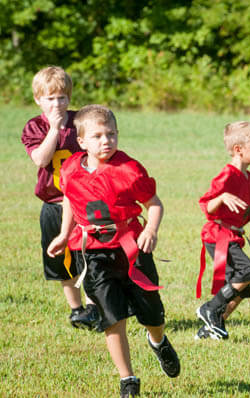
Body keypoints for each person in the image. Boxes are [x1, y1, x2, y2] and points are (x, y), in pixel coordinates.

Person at [47, 105, 180, 397]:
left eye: (111, 134)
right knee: (111, 317)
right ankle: (127, 379)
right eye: (97, 136)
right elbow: (70, 198)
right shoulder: (70, 168)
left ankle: (157, 341)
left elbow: (154, 203)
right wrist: (64, 233)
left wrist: (150, 230)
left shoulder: (129, 170)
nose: (106, 141)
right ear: (81, 142)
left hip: (130, 249)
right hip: (93, 253)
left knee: (152, 314)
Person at [21, 66, 99, 330]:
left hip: (83, 205)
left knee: (89, 257)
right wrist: (54, 130)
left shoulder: (81, 123)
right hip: (54, 204)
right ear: (38, 99)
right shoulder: (35, 126)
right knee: (62, 260)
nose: (57, 103)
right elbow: (41, 160)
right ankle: (76, 310)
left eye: (62, 98)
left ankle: (93, 308)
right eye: (50, 98)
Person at [195, 121, 250, 340]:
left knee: (241, 287)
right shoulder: (227, 175)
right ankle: (210, 309)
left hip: (233, 236)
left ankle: (212, 327)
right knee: (248, 272)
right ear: (239, 150)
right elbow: (206, 207)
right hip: (218, 236)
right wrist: (222, 197)